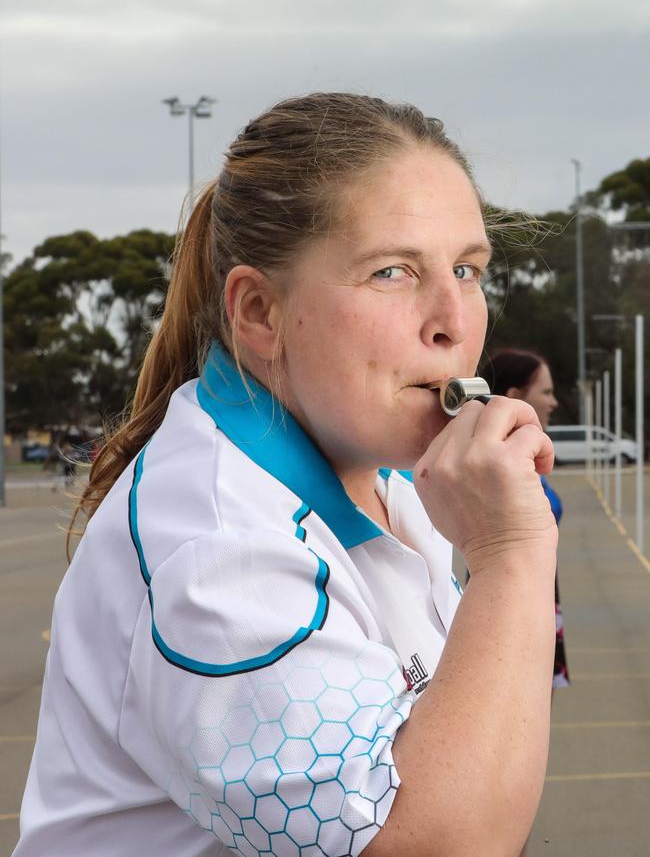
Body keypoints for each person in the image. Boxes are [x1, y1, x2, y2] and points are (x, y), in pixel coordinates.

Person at [14, 94, 558, 857]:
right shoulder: (215, 545)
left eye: (468, 269)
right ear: (260, 313)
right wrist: (513, 555)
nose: (453, 320)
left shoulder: (386, 479)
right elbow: (433, 844)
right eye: (392, 271)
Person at [481, 348, 570, 687]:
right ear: (515, 397)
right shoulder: (495, 465)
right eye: (546, 392)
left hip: (539, 591)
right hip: (510, 599)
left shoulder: (520, 457)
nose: (554, 402)